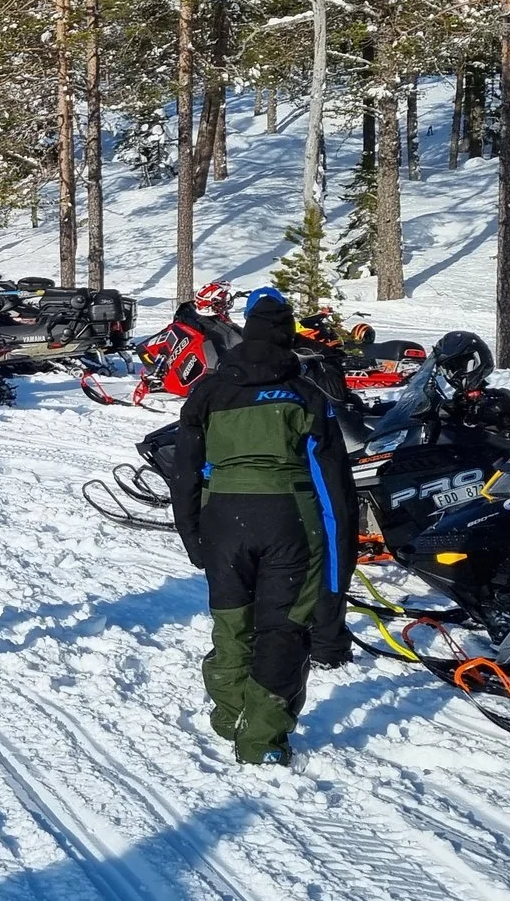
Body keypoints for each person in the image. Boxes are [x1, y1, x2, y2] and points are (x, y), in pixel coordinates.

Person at [170, 288, 357, 767]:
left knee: (232, 622)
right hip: (290, 521)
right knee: (283, 628)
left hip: (223, 520)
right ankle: (261, 739)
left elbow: (185, 471)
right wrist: (337, 581)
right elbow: (335, 490)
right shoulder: (307, 394)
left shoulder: (210, 390)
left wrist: (192, 534)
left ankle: (230, 713)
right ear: (288, 333)